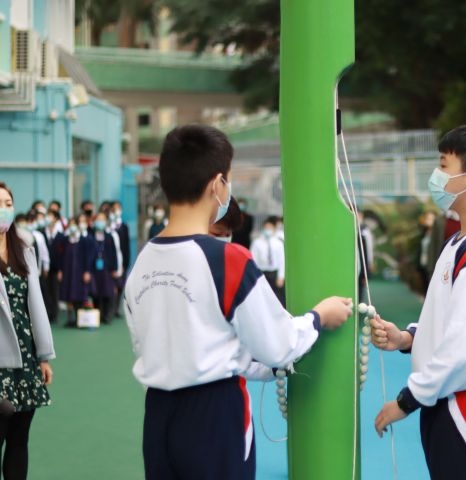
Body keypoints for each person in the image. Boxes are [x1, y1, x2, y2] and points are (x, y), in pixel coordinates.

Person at [123, 124, 352, 479]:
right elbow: (278, 345)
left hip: (158, 414)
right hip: (214, 415)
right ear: (218, 185)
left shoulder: (142, 262)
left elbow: (146, 342)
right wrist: (319, 316)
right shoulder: (228, 260)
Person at [371, 123, 466, 479]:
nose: (436, 176)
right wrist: (407, 338)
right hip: (452, 400)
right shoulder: (461, 241)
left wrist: (407, 400)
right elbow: (453, 319)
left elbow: (465, 349)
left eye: (443, 165)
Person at [0, 182, 55, 480]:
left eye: (8, 203)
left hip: (26, 359)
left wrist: (43, 357)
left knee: (19, 439)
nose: (4, 209)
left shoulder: (24, 250)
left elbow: (36, 306)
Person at [250, 217, 286, 305]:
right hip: (262, 272)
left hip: (274, 272)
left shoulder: (278, 243)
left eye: (270, 228)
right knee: (264, 297)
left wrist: (281, 276)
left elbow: (282, 261)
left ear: (274, 229)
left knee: (278, 297)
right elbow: (253, 260)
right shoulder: (257, 243)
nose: (267, 230)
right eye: (266, 228)